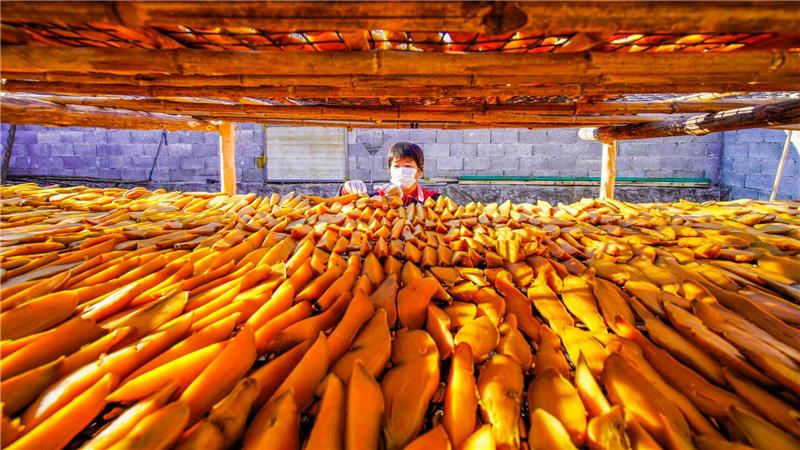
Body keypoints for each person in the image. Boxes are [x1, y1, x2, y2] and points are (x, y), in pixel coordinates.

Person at [341, 142, 439, 205]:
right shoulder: (377, 197)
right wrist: (345, 190)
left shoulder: (434, 198)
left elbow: (436, 214)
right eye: (396, 166)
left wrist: (403, 199)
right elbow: (340, 208)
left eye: (408, 166)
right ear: (390, 170)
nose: (401, 171)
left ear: (420, 171)